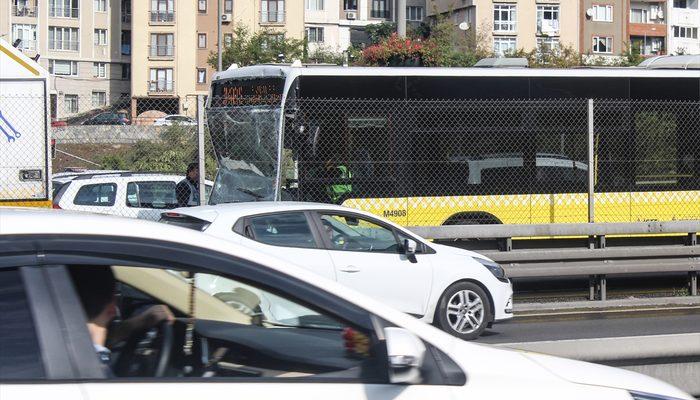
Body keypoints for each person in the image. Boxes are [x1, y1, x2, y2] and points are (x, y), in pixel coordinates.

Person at [68, 266, 174, 366]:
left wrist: (140, 321)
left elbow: (108, 339)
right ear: (113, 309)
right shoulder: (92, 366)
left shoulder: (62, 343)